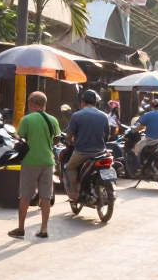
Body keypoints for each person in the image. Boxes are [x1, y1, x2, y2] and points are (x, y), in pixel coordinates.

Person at [9, 92, 59, 239]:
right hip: (48, 162)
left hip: (30, 161)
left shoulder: (27, 119)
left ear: (32, 103)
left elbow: (20, 138)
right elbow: (56, 139)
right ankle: (43, 230)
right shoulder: (53, 120)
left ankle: (20, 228)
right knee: (45, 197)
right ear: (44, 104)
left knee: (25, 196)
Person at [65, 90, 110, 202]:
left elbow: (69, 135)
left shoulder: (77, 115)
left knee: (69, 167)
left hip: (82, 152)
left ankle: (75, 192)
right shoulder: (104, 116)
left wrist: (70, 141)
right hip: (100, 152)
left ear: (83, 102)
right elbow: (107, 136)